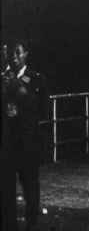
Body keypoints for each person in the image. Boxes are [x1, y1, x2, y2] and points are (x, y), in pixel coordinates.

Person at [1, 41, 49, 231]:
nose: (14, 57)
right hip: (8, 142)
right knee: (6, 187)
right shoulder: (4, 78)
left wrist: (24, 95)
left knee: (30, 184)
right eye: (12, 54)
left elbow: (43, 110)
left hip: (28, 142)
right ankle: (10, 225)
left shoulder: (36, 79)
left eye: (18, 53)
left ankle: (31, 223)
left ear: (26, 55)